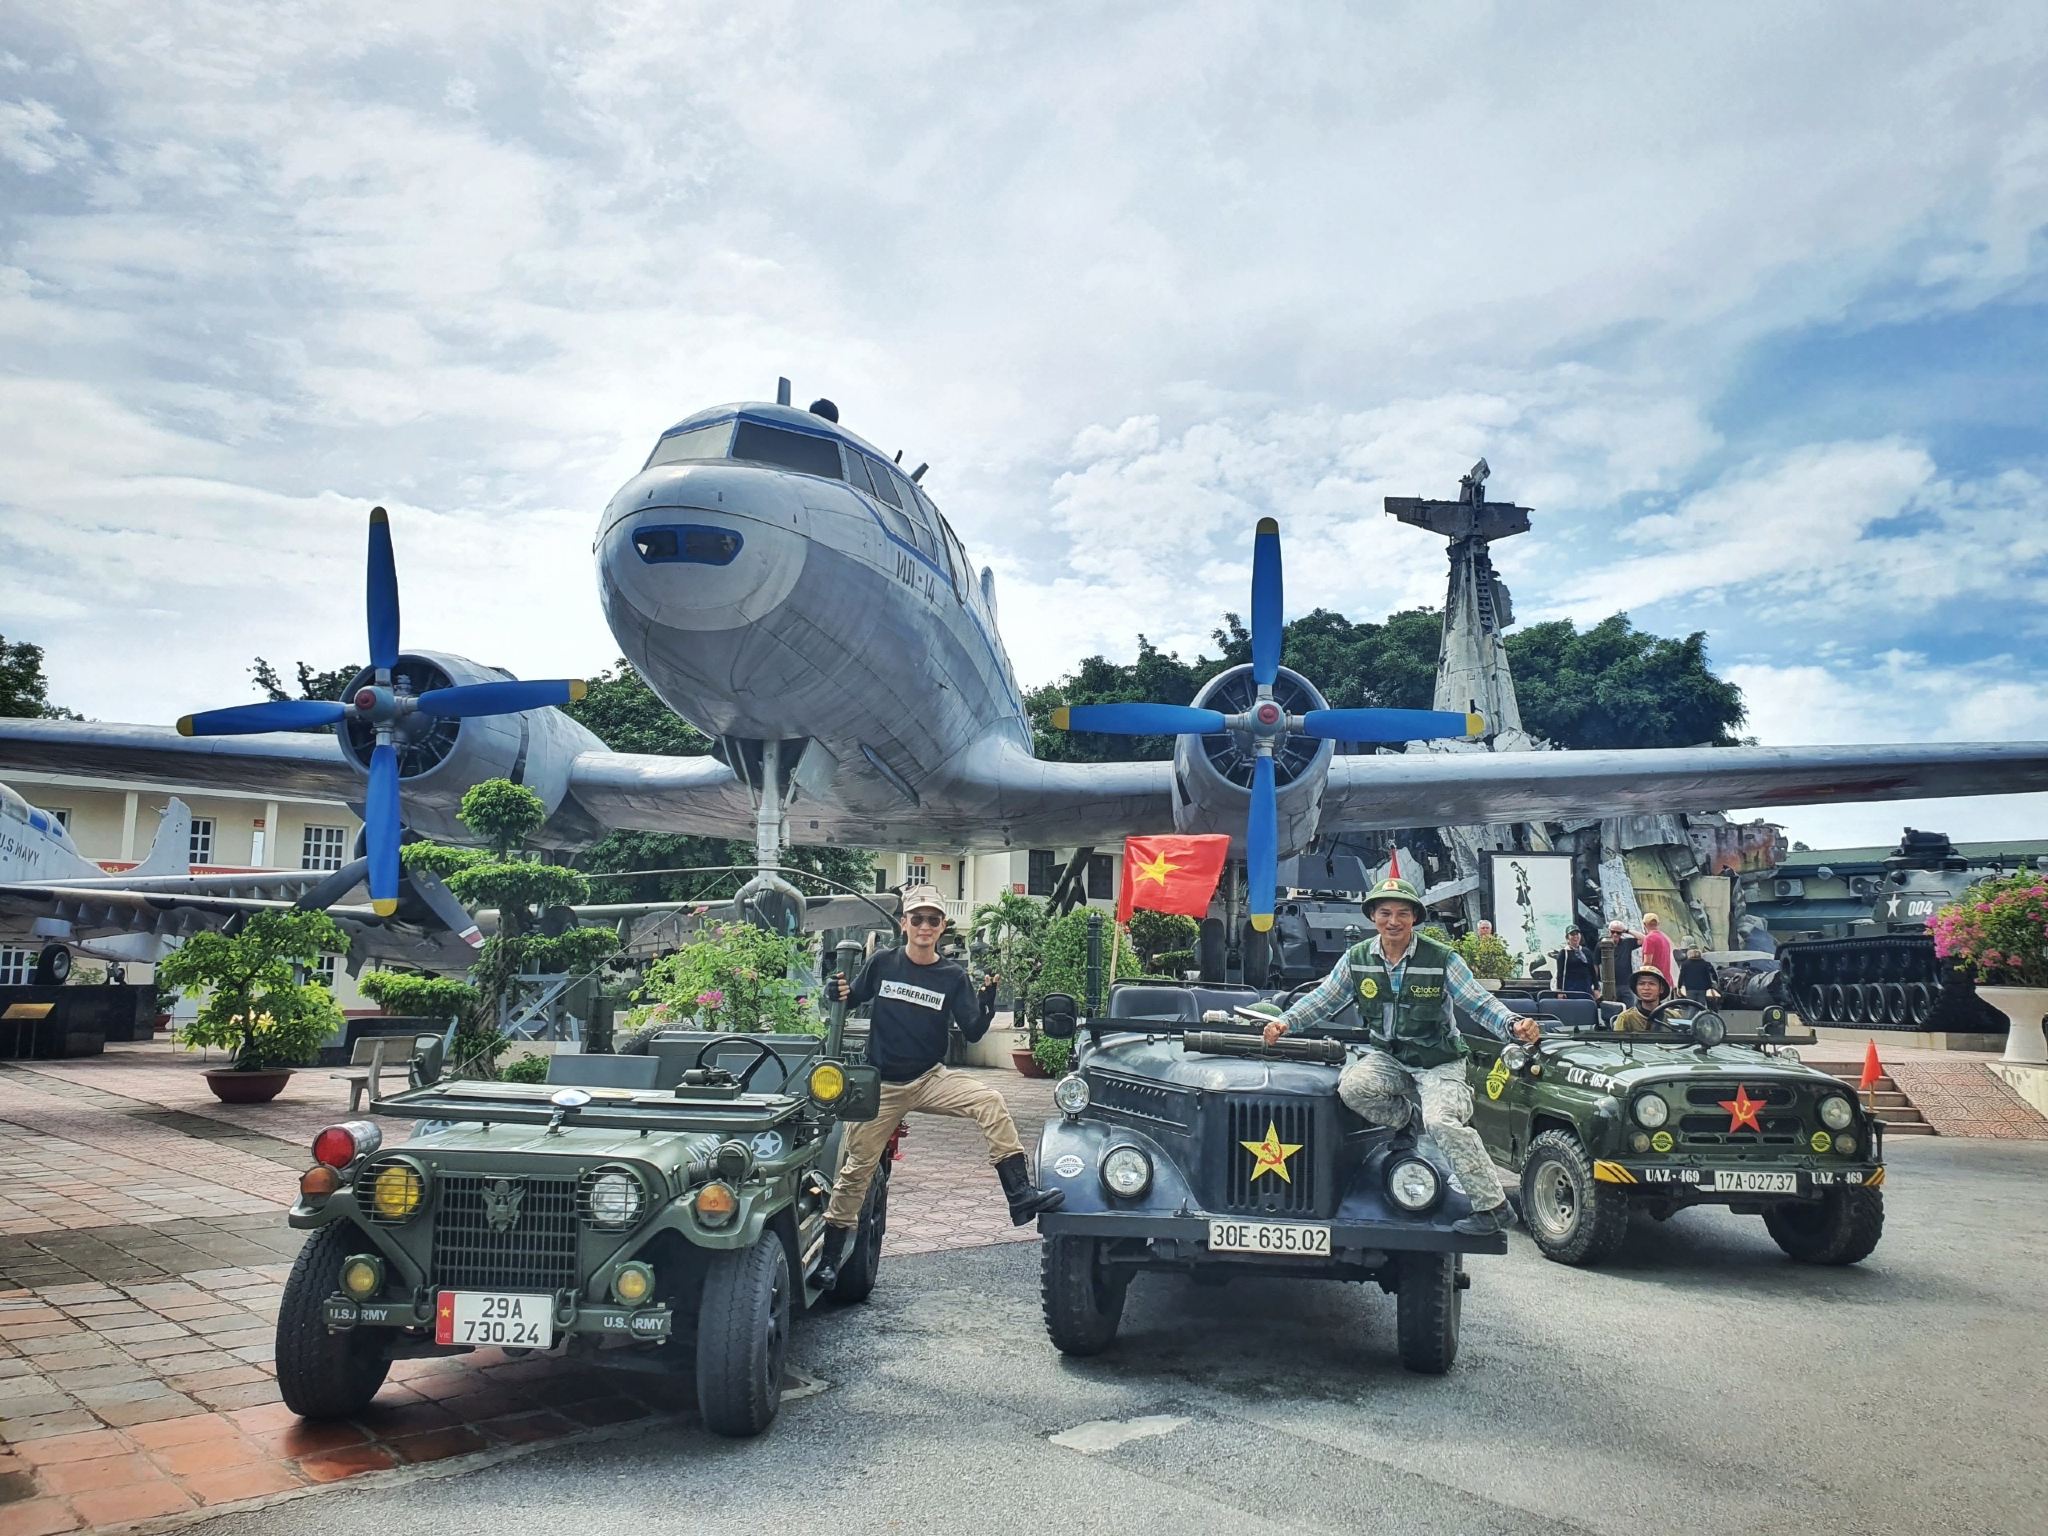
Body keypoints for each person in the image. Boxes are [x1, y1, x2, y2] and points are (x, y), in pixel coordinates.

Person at [1262, 868, 1541, 1237]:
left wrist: (1513, 1025)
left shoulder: (1442, 959)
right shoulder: (1357, 958)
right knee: (1352, 1088)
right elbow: (1324, 999)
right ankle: (1407, 1120)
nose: (1393, 921)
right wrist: (1285, 1023)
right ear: (1373, 917)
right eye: (1385, 913)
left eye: (1402, 913)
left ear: (1414, 919)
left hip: (1439, 1061)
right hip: (1389, 1058)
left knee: (1442, 1121)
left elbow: (1478, 1002)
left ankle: (1493, 1207)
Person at [818, 886, 1060, 1287]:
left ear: (943, 927)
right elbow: (851, 996)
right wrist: (834, 991)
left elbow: (975, 1031)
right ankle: (829, 1259)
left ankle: (1019, 1196)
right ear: (904, 924)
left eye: (933, 919)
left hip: (930, 1078)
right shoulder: (882, 963)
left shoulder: (952, 976)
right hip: (884, 1086)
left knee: (990, 1101)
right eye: (917, 919)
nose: (925, 926)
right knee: (855, 1171)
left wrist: (987, 999)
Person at [1614, 966, 1673, 1032]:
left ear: (1661, 989)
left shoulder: (1672, 1017)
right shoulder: (1626, 1018)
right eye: (1641, 984)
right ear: (1636, 988)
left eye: (1652, 984)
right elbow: (1619, 1041)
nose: (1646, 988)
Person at [1554, 928, 1599, 998]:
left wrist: (1596, 988)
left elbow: (1592, 971)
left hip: (1586, 989)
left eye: (1577, 934)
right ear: (1567, 937)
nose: (1575, 936)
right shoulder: (1563, 953)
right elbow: (1560, 974)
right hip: (1570, 990)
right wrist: (1560, 992)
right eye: (1572, 934)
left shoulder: (1586, 951)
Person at [1640, 913, 1674, 983]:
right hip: (1666, 981)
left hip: (1655, 981)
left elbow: (1647, 963)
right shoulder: (1664, 938)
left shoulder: (1649, 938)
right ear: (1658, 923)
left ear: (1644, 924)